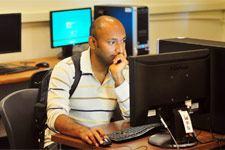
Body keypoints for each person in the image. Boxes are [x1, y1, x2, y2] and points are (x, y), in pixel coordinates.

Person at [44, 15, 130, 148]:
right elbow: (54, 117)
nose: (120, 49)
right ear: (93, 43)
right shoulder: (66, 69)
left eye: (123, 41)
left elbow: (133, 117)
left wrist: (119, 78)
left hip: (98, 142)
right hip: (64, 143)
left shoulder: (121, 70)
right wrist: (84, 131)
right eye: (112, 42)